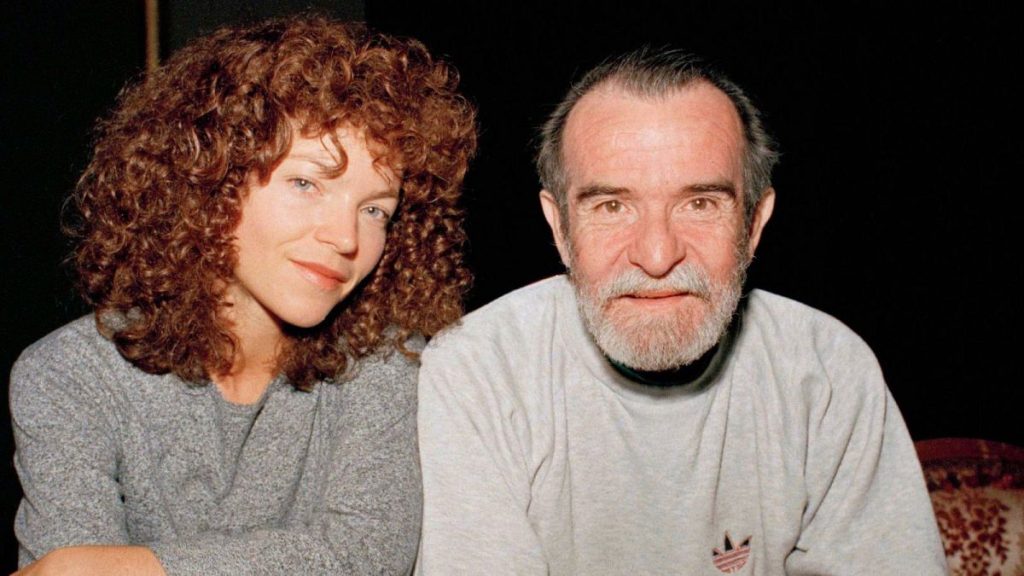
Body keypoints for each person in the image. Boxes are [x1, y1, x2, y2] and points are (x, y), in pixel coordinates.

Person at [416, 47, 946, 574]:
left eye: (700, 204)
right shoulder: (479, 371)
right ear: (559, 228)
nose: (656, 255)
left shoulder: (828, 372)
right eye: (612, 206)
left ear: (755, 224)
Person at [9, 15, 475, 576]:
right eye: (307, 184)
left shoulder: (384, 360)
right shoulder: (66, 375)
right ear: (209, 180)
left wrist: (129, 567)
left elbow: (364, 556)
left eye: (375, 209)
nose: (346, 238)